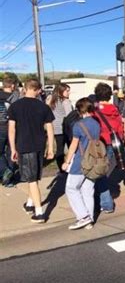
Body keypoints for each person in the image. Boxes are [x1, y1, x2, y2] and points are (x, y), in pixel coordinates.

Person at [8, 79, 55, 223]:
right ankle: (29, 204)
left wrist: (12, 149)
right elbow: (50, 128)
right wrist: (51, 148)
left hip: (24, 145)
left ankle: (39, 212)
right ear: (38, 90)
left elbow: (12, 130)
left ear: (25, 89)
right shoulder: (43, 107)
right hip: (39, 145)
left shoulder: (15, 107)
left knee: (32, 179)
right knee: (32, 176)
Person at [61, 98, 99, 230]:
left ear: (79, 110)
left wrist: (67, 161)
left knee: (71, 188)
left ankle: (83, 217)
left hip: (81, 161)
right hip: (94, 160)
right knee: (88, 190)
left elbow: (73, 145)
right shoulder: (96, 124)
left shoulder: (78, 125)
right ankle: (90, 219)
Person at [92, 83, 123, 213]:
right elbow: (119, 127)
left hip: (100, 142)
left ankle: (105, 202)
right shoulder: (115, 110)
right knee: (105, 171)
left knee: (100, 173)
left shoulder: (95, 111)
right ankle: (103, 199)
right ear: (110, 95)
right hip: (112, 142)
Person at [46, 83, 73, 172]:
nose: (69, 93)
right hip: (66, 128)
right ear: (61, 91)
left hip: (55, 128)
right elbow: (69, 115)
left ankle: (61, 169)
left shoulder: (51, 99)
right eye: (67, 91)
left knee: (59, 149)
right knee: (71, 148)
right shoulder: (65, 101)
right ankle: (71, 166)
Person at [0, 76, 19, 187]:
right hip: (13, 127)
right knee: (11, 152)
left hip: (0, 127)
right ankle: (9, 178)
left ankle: (5, 172)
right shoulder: (15, 96)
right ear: (12, 85)